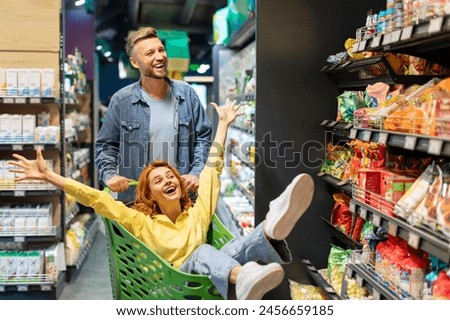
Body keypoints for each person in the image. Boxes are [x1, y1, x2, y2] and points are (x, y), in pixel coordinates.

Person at [9, 99, 315, 300]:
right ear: (150, 195)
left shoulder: (196, 212)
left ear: (180, 184)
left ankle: (270, 230)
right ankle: (244, 273)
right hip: (172, 286)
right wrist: (51, 177)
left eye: (171, 176)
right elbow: (98, 201)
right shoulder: (142, 222)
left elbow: (211, 171)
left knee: (232, 246)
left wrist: (223, 124)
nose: (168, 180)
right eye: (158, 180)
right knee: (205, 251)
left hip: (209, 277)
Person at [95, 26, 212, 202]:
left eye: (161, 50)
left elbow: (203, 139)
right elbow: (105, 145)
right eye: (150, 53)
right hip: (137, 201)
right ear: (135, 62)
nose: (159, 57)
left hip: (181, 198)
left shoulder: (187, 94)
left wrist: (196, 173)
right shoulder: (122, 100)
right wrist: (110, 175)